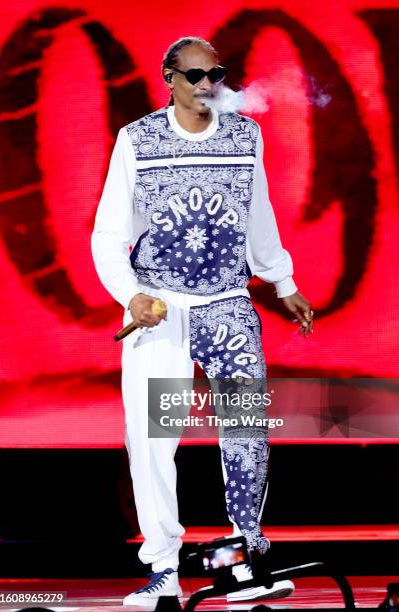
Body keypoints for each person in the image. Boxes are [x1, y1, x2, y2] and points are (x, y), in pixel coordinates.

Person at [91, 36, 313, 609]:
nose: (207, 84)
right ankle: (163, 569)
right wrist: (131, 295)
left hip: (228, 307)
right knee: (152, 441)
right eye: (194, 75)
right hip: (160, 313)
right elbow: (109, 233)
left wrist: (281, 282)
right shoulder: (137, 140)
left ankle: (242, 561)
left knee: (246, 436)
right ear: (169, 78)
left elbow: (256, 212)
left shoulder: (244, 137)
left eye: (216, 73)